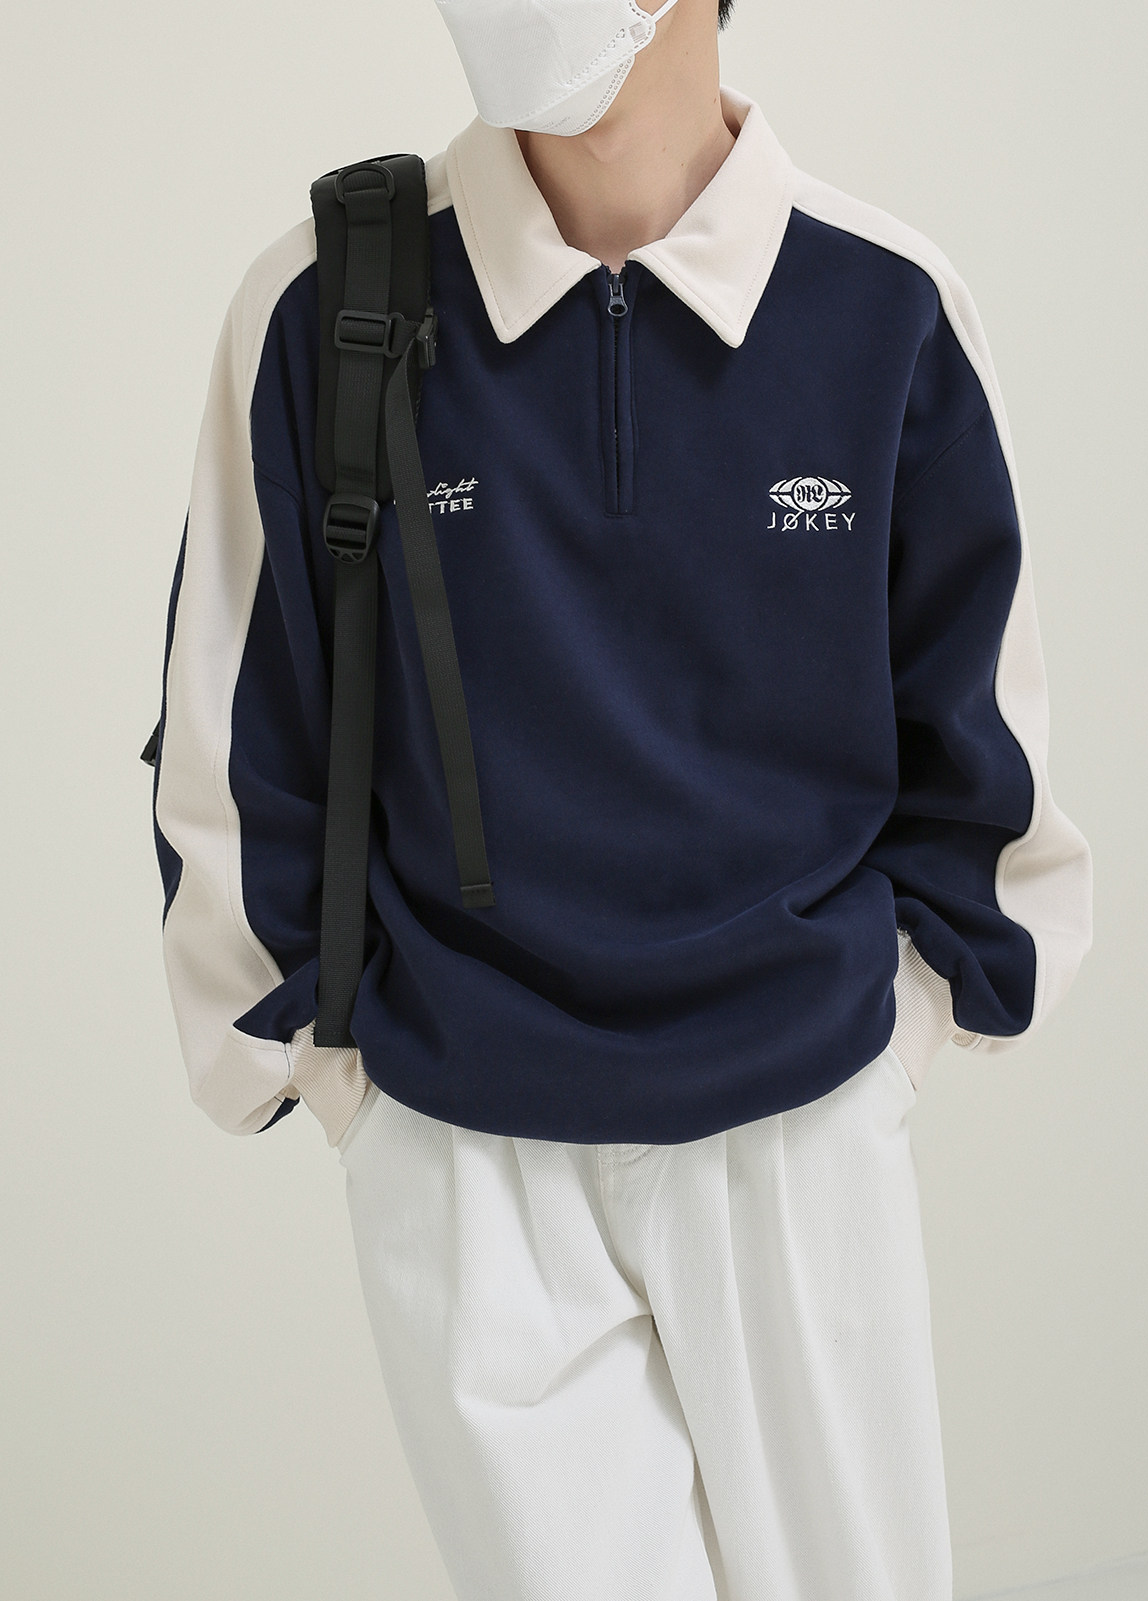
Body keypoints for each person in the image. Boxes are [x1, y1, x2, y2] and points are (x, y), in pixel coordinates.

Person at [148, 1, 1093, 1596]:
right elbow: (235, 748)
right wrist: (353, 1097)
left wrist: (890, 1046)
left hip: (801, 1128)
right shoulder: (322, 302)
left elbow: (983, 755)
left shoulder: (886, 308)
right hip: (466, 1147)